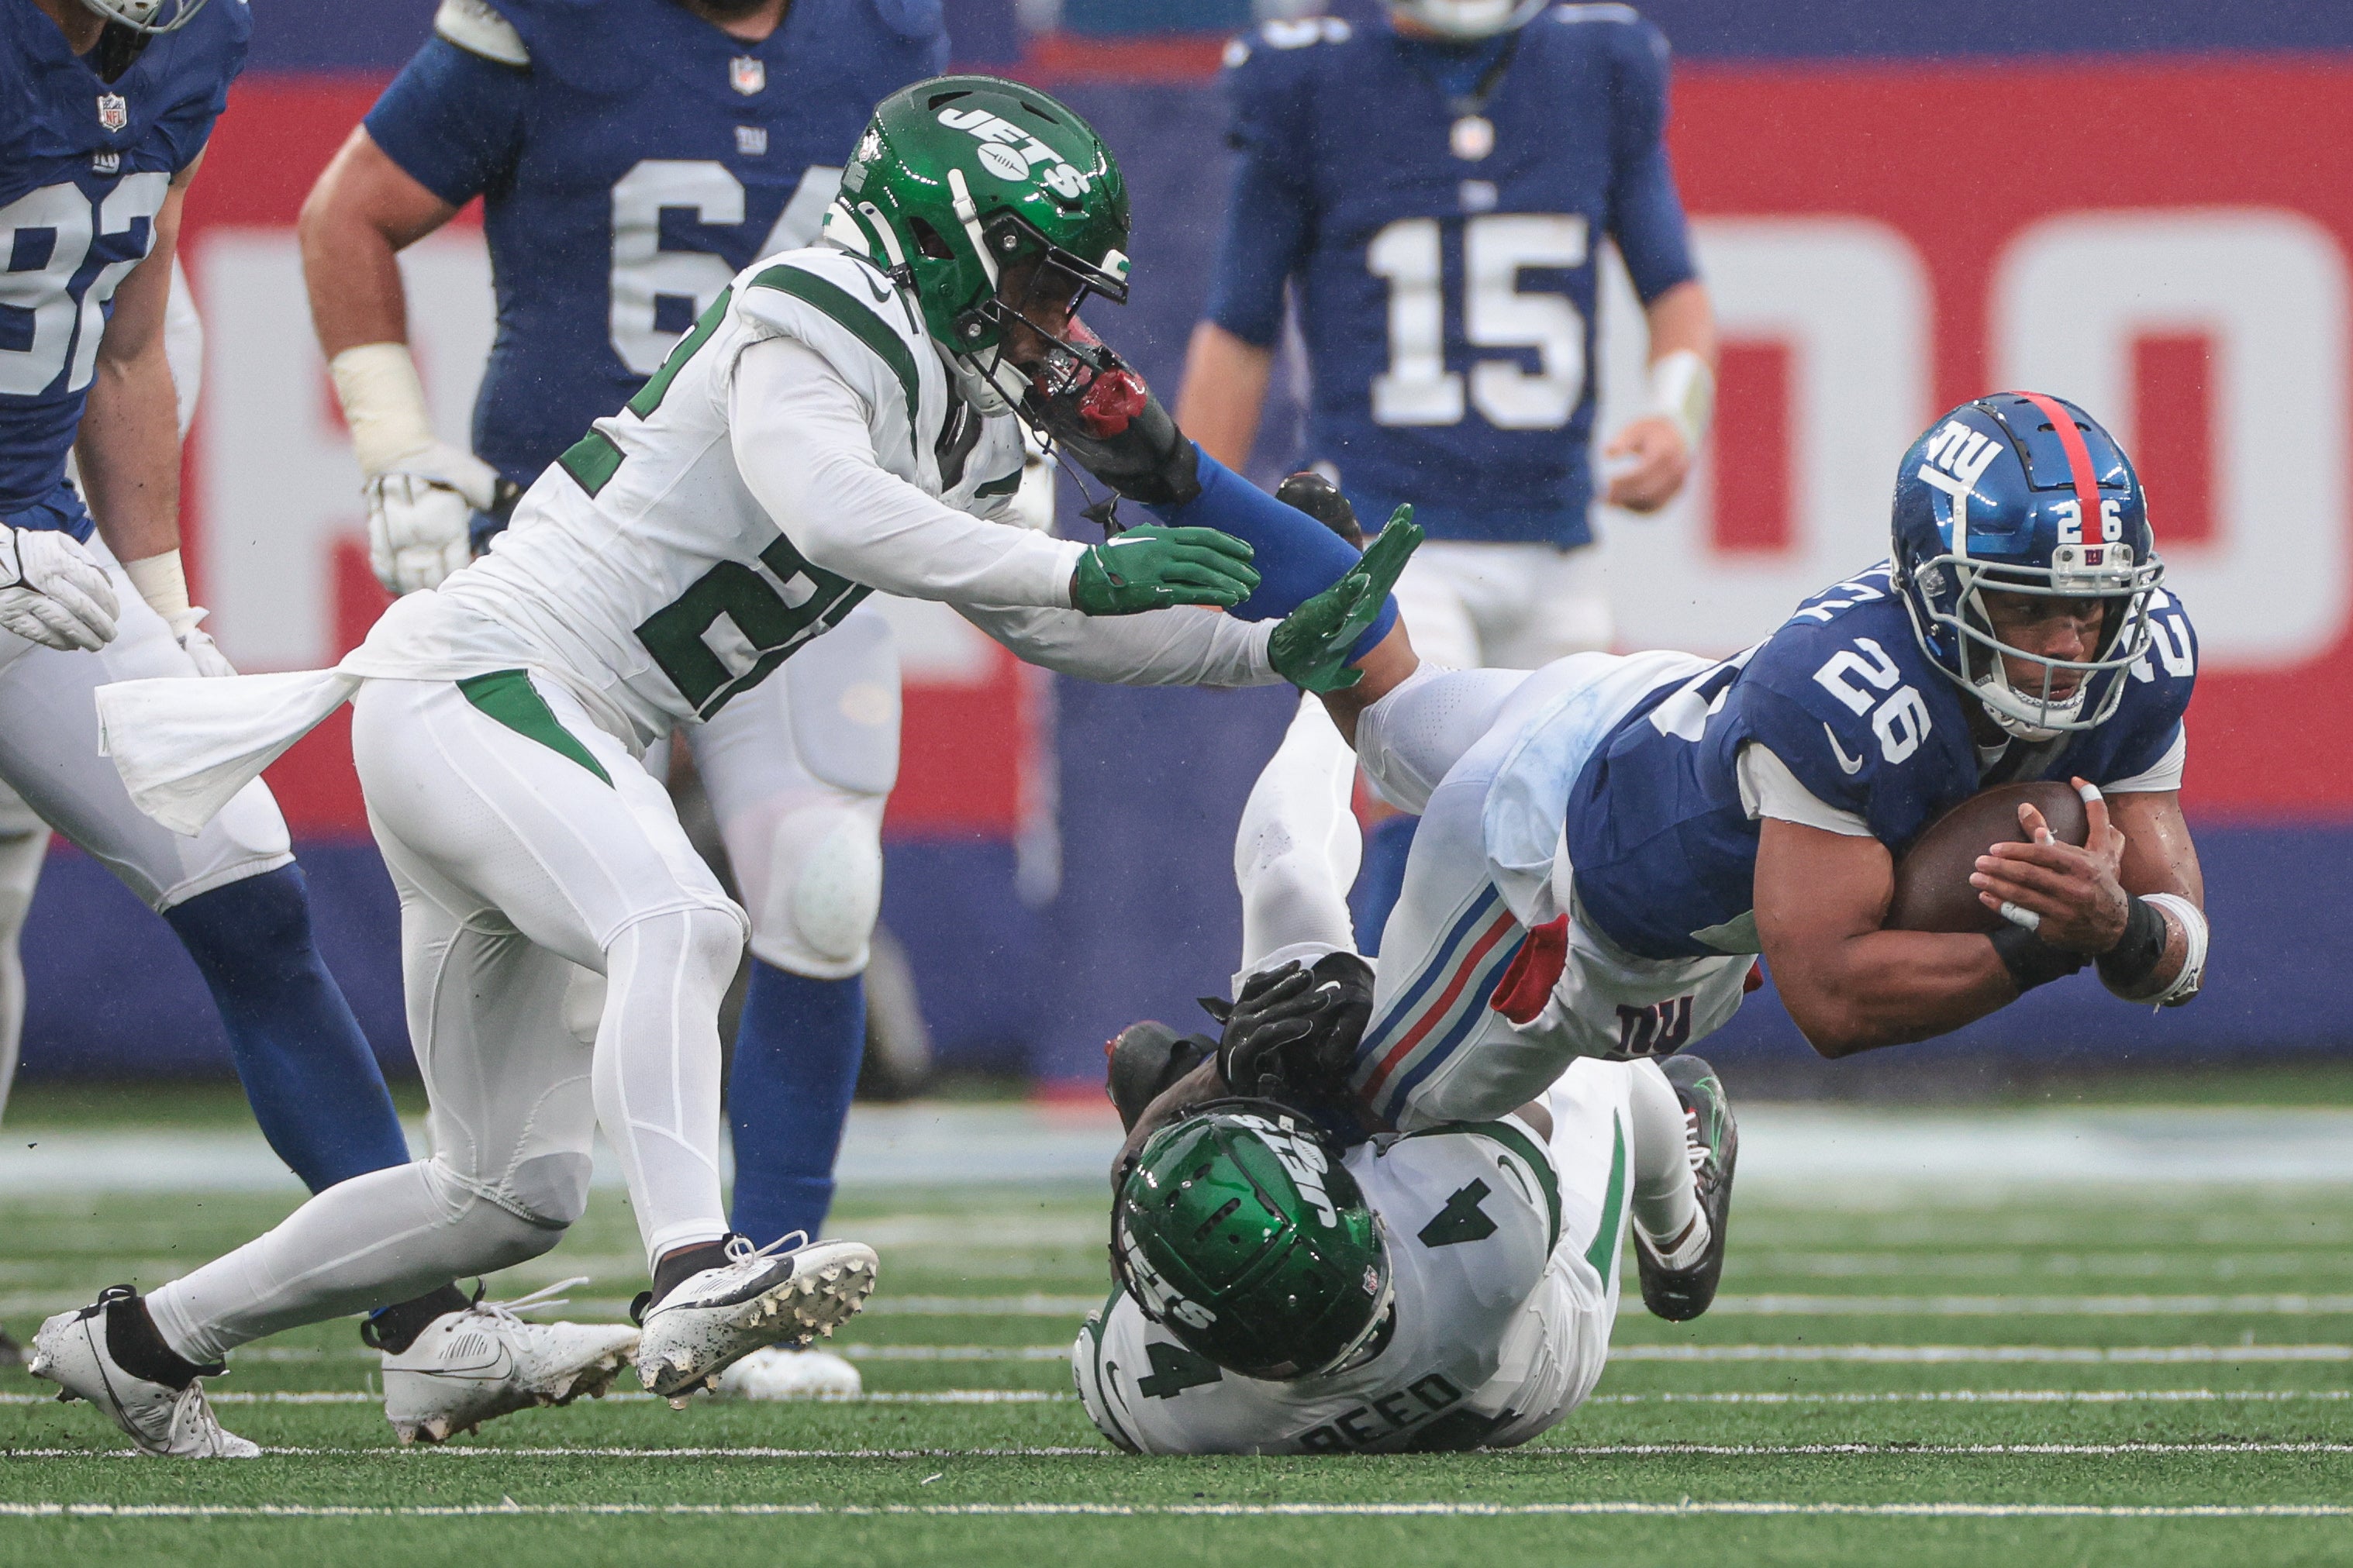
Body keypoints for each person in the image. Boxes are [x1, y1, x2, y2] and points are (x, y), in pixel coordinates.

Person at [46, 75, 1416, 1457]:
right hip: (478, 682)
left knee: (502, 1192)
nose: (1054, 325)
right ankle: (694, 1270)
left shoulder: (967, 407)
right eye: (1039, 282)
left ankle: (143, 1341)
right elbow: (836, 505)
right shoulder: (817, 301)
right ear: (945, 239)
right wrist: (1088, 559)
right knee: (684, 915)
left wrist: (1257, 655)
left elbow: (1034, 614)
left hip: (533, 725)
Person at [298, 0, 947, 1401]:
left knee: (823, 885)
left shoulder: (890, 34)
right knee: (581, 959)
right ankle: (492, 1276)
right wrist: (394, 439)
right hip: (578, 537)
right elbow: (348, 215)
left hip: (794, 544)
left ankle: (760, 1279)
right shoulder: (551, 21)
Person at [0, 0, 616, 1398]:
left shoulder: (187, 41)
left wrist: (162, 600)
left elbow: (128, 339)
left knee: (246, 879)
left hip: (37, 550)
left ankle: (424, 1328)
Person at [1226, 392, 2206, 1134]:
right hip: (1561, 862)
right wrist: (2040, 946)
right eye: (2027, 605)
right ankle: (1196, 1085)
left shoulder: (2141, 653)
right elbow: (1828, 999)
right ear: (1936, 588)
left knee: (1391, 723)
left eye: (2091, 605)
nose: (2071, 645)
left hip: (1631, 703)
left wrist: (2118, 932)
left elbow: (2181, 942)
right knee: (1370, 1114)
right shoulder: (1840, 695)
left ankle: (1328, 593)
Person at [1176, 0, 1720, 947]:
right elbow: (1239, 329)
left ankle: (1575, 1079)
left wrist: (1675, 418)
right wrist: (1198, 546)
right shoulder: (1311, 79)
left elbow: (1674, 289)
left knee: (1567, 832)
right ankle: (1381, 1061)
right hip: (1392, 535)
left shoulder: (1596, 65)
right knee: (1428, 797)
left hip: (1556, 545)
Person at [1072, 690, 1734, 1455]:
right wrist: (1251, 1070)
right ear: (1353, 1215)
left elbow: (1140, 1234)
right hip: (1535, 1351)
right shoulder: (1487, 1250)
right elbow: (1512, 1097)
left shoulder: (1153, 1397)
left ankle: (1326, 694)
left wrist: (1199, 1095)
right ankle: (1684, 1242)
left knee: (1282, 900)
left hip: (1356, 1296)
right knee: (1588, 1050)